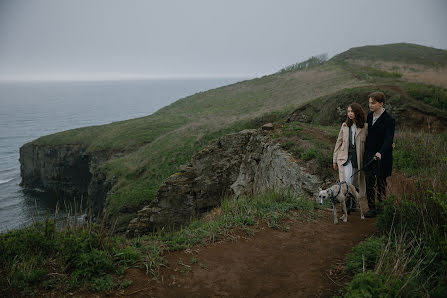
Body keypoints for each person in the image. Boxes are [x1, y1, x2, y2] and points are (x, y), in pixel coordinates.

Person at [363, 91, 395, 218]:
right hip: (369, 154)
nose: (370, 105)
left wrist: (380, 152)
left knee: (381, 182)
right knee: (369, 181)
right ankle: (371, 208)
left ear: (381, 104)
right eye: (369, 103)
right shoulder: (370, 117)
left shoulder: (389, 119)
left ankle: (382, 207)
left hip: (383, 155)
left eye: (373, 103)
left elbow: (389, 140)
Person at [333, 103, 368, 212]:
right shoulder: (344, 126)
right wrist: (334, 160)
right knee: (346, 181)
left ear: (357, 112)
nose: (350, 114)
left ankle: (353, 204)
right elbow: (338, 143)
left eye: (352, 111)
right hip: (345, 159)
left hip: (358, 159)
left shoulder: (365, 127)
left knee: (355, 182)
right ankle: (346, 206)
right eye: (348, 111)